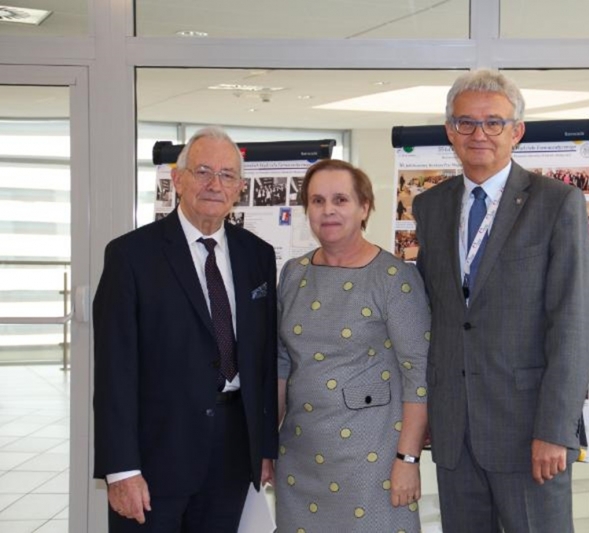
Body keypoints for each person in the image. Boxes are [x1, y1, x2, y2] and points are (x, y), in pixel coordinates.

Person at [412, 69, 589, 532]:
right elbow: (435, 313)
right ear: (450, 131)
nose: (480, 134)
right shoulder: (431, 206)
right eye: (466, 122)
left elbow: (573, 326)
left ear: (517, 131)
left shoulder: (557, 203)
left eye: (494, 122)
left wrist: (555, 429)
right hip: (455, 432)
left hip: (529, 432)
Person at [93, 127, 279, 532]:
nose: (215, 184)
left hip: (233, 452)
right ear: (177, 180)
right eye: (203, 171)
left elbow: (263, 361)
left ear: (239, 188)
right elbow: (114, 372)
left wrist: (264, 447)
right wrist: (121, 469)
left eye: (227, 175)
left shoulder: (257, 256)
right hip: (155, 452)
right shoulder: (130, 256)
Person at [275, 159, 430, 532]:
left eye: (340, 200)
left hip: (373, 463)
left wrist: (408, 459)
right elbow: (281, 363)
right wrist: (265, 446)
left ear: (364, 208)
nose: (328, 210)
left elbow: (419, 376)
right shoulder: (293, 274)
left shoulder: (394, 278)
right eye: (317, 201)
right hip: (299, 458)